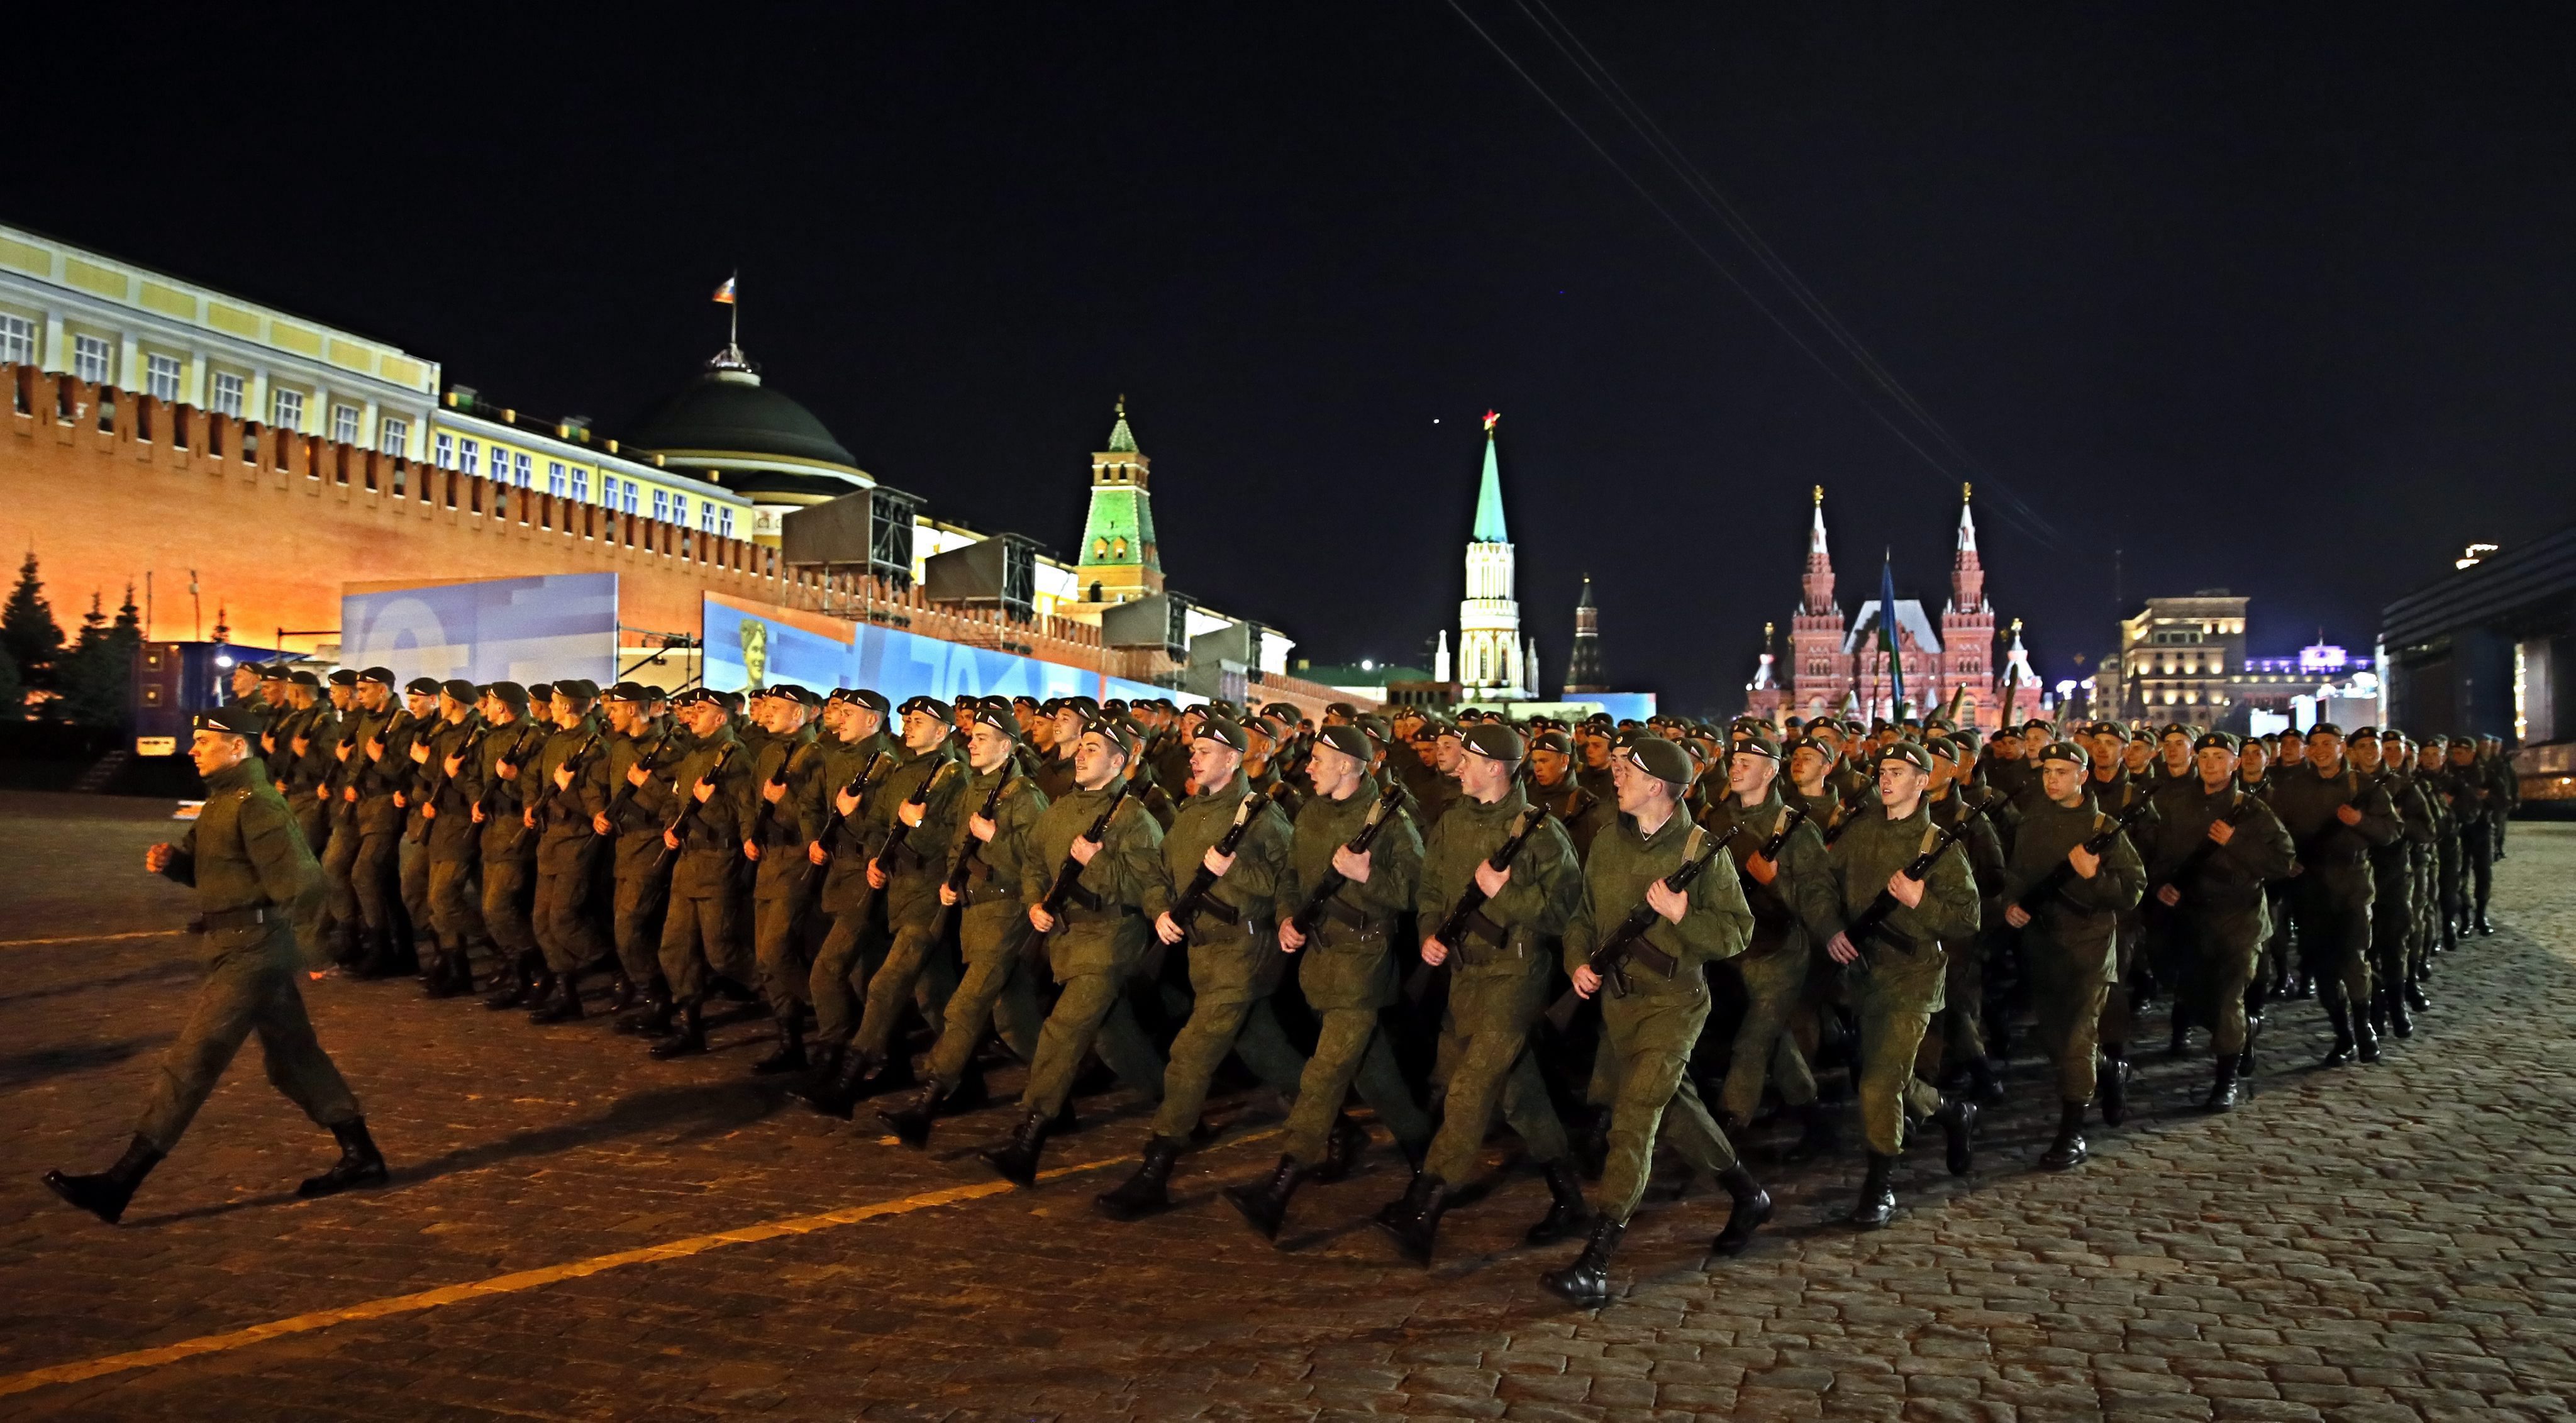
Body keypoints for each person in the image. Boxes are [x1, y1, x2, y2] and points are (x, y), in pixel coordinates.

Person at [45, 707, 385, 1224]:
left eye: (205, 741)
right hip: (235, 943)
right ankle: (362, 1155)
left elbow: (305, 881)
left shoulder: (258, 804)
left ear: (238, 749)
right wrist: (174, 864)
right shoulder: (222, 802)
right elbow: (216, 871)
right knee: (294, 1058)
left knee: (194, 1058)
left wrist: (316, 952)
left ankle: (119, 1182)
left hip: (255, 951)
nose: (194, 749)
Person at [1537, 735, 1767, 1309]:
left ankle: (1597, 1259)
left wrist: (1685, 912)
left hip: (1674, 1005)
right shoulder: (1607, 843)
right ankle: (1747, 1192)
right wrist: (1578, 963)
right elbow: (1582, 918)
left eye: (1627, 770)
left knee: (1634, 1120)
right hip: (1619, 1003)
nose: (1615, 777)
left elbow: (1738, 932)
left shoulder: (1700, 848)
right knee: (1678, 1111)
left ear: (1658, 787)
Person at [1376, 721, 1587, 1263]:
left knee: (1471, 1092)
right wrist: (1428, 932)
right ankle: (1568, 1195)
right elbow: (1428, 888)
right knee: (1517, 1094)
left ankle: (1426, 1207)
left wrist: (1508, 892)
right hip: (1464, 977)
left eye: (1467, 759)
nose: (1457, 766)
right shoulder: (1451, 821)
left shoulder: (1540, 831)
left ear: (1496, 767)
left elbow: (1564, 912)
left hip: (1513, 978)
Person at [1222, 724, 1433, 1239]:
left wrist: (1367, 877)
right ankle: (1430, 1160)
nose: (1309, 766)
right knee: (1375, 1076)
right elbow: (1292, 877)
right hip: (1319, 962)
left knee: (1323, 1077)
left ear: (1348, 765)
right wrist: (1289, 917)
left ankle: (1280, 1187)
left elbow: (1416, 891)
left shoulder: (1389, 822)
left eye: (1319, 759)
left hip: (1362, 964)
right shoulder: (1313, 813)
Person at [1094, 715, 1305, 1219]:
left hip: (1243, 949)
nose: (1194, 756)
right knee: (1263, 1047)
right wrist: (1161, 910)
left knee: (1189, 1055)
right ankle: (1334, 1124)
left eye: (1206, 750)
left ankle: (1156, 1170)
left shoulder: (1262, 816)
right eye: (1194, 748)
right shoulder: (1190, 813)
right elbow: (1157, 873)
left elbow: (1287, 887)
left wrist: (1237, 869)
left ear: (1233, 759)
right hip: (1201, 951)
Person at [980, 718, 1169, 1185]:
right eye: (1081, 746)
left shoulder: (1135, 818)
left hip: (1109, 940)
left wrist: (1097, 861)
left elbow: (1148, 888)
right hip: (1067, 939)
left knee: (1063, 1031)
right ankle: (1178, 1102)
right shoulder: (1061, 809)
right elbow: (1032, 863)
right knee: (1114, 1039)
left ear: (1119, 761)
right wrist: (1034, 903)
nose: (1081, 755)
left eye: (1093, 748)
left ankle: (1029, 1139)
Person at [1822, 741, 1982, 1227]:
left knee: (1878, 1084)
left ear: (1922, 781)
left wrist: (1920, 901)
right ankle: (1952, 1111)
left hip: (1913, 975)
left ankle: (1880, 1185)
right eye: (1883, 771)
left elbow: (1968, 917)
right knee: (1887, 1078)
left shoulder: (1938, 844)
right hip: (1865, 975)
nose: (1886, 779)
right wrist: (1831, 929)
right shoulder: (1862, 831)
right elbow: (1826, 883)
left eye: (1898, 771)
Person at [878, 704, 1053, 1145]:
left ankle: (926, 1105)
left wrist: (999, 840)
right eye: (971, 736)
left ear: (1007, 746)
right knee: (1014, 1019)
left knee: (965, 1007)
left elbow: (1039, 863)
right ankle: (1059, 1089)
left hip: (1006, 913)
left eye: (981, 738)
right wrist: (952, 882)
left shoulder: (1024, 795)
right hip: (975, 910)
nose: (971, 743)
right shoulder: (979, 787)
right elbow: (959, 844)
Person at [2139, 732, 2294, 1111]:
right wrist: (2162, 886)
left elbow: (2284, 861)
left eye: (2219, 757)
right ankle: (2243, 1032)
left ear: (2236, 763)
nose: (2210, 764)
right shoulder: (2176, 804)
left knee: (2227, 1000)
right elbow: (2158, 853)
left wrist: (2235, 841)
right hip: (2192, 916)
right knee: (2196, 996)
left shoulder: (2250, 808)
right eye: (2204, 756)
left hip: (2237, 915)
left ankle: (2225, 1081)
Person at [2268, 724, 2400, 1066]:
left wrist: (2360, 821)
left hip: (2352, 884)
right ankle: (2342, 1034)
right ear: (2308, 751)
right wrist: (2287, 863)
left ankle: (2365, 1027)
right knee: (2323, 967)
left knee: (2354, 959)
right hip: (2311, 889)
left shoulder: (2365, 786)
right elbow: (2275, 834)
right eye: (2315, 744)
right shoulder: (2292, 789)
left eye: (2329, 743)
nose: (2321, 749)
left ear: (2343, 748)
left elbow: (2391, 832)